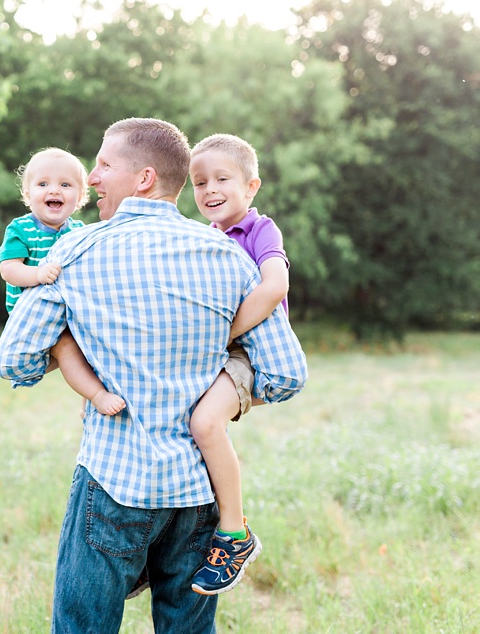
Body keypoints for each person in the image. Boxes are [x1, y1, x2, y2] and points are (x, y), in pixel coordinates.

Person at [0, 118, 307, 633]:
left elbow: (13, 361)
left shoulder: (74, 250)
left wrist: (74, 351)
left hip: (113, 483)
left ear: (141, 178)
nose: (91, 179)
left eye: (103, 165)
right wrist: (212, 380)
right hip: (197, 492)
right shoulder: (228, 256)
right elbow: (286, 374)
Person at [184, 133, 290, 596]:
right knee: (172, 420)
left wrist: (221, 335)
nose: (209, 189)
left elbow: (273, 288)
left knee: (206, 424)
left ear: (251, 186)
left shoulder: (259, 229)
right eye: (199, 181)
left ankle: (234, 533)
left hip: (249, 352)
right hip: (216, 353)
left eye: (221, 179)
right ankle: (174, 539)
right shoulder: (203, 238)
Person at [0, 147, 126, 416]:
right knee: (66, 346)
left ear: (79, 197)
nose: (54, 190)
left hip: (68, 310)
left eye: (65, 185)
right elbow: (9, 270)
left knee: (95, 340)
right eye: (43, 184)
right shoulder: (21, 229)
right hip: (33, 315)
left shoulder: (78, 232)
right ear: (28, 194)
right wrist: (36, 275)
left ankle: (89, 395)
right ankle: (96, 395)